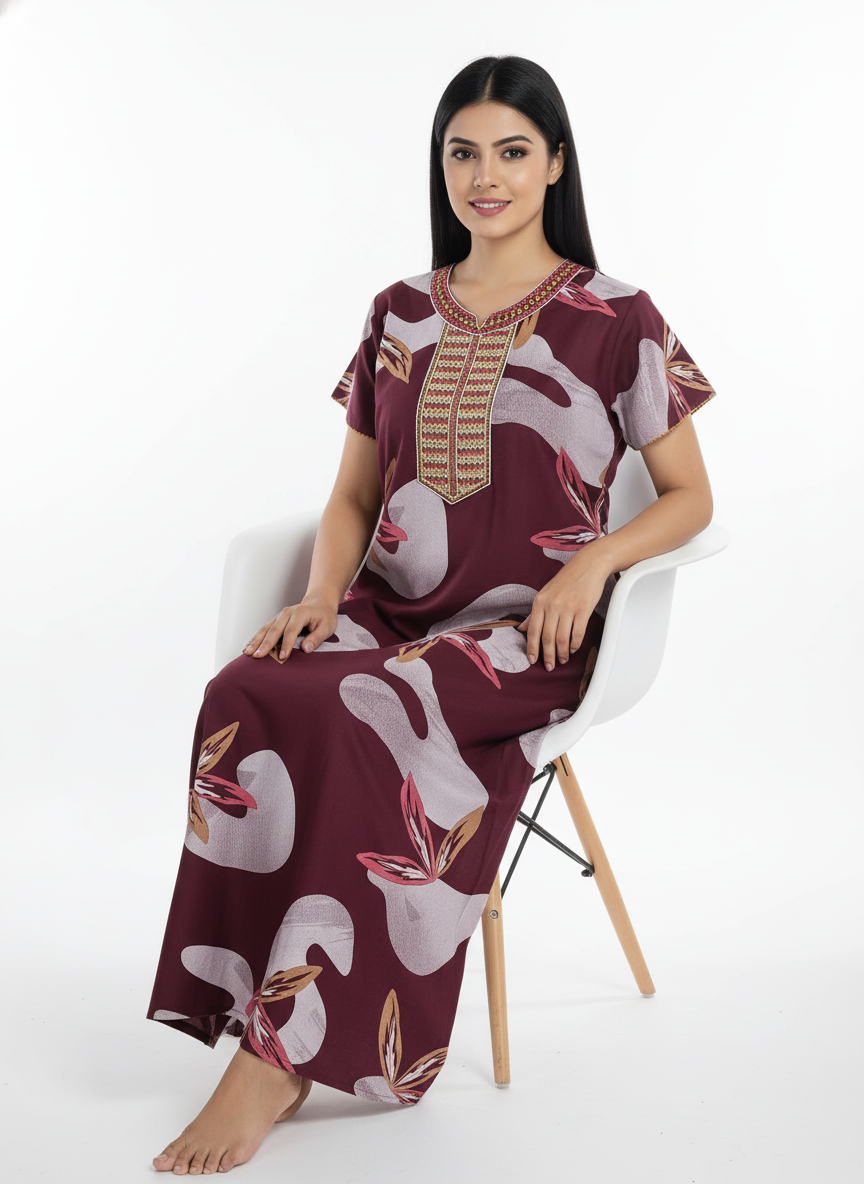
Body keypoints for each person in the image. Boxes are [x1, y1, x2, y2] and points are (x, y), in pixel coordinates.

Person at [148, 53, 716, 1175]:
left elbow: (691, 496)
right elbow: (353, 495)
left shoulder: (619, 317)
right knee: (247, 687)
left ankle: (281, 1056)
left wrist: (594, 565)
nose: (485, 176)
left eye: (512, 151)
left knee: (370, 707)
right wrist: (320, 597)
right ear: (440, 167)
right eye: (463, 153)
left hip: (527, 634)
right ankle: (249, 996)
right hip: (390, 608)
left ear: (555, 164)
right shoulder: (398, 311)